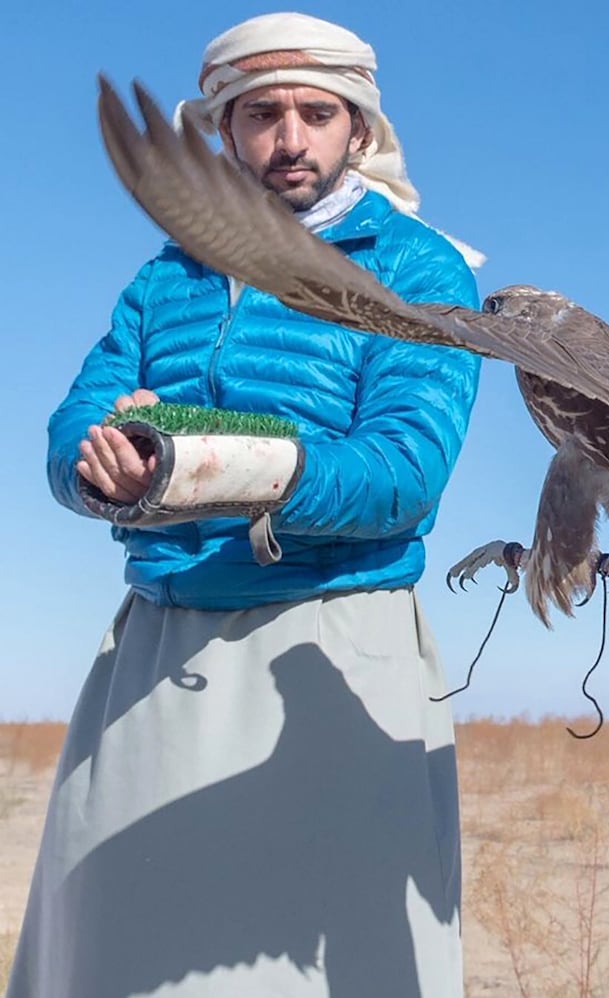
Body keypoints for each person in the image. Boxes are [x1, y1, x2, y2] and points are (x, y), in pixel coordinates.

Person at [8, 12, 482, 998]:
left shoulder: (416, 267)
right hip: (155, 653)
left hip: (333, 650)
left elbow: (403, 469)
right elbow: (73, 431)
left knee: (327, 967)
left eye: (318, 111)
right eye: (262, 113)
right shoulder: (164, 277)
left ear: (360, 127)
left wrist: (198, 462)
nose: (290, 137)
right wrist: (106, 468)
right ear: (220, 129)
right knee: (115, 958)